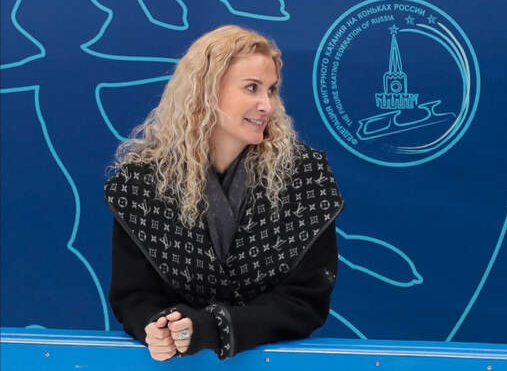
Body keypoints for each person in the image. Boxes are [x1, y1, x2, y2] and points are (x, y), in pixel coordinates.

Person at [105, 25, 344, 361]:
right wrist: (159, 328)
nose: (267, 105)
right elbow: (134, 295)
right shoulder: (140, 184)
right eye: (252, 88)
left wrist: (212, 328)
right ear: (206, 90)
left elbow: (305, 301)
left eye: (272, 90)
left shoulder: (306, 177)